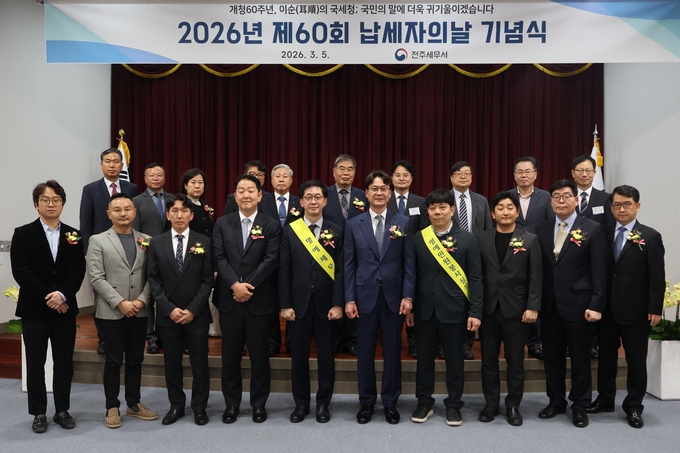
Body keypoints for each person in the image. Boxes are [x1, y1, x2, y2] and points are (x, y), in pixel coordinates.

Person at [11, 180, 86, 434]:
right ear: (36, 204)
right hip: (35, 311)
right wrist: (51, 297)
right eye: (45, 200)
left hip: (65, 310)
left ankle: (62, 410)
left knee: (64, 363)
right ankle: (39, 412)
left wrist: (63, 295)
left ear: (63, 204)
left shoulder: (74, 234)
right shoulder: (23, 233)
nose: (50, 204)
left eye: (56, 200)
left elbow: (78, 270)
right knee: (36, 362)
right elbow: (22, 272)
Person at [587, 185, 664, 429]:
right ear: (611, 208)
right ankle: (605, 399)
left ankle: (633, 406)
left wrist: (655, 308)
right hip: (607, 309)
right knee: (606, 358)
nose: (622, 209)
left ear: (637, 206)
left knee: (636, 360)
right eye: (617, 205)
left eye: (627, 204)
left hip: (637, 310)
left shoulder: (650, 236)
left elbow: (657, 277)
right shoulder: (601, 232)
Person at [344, 170, 415, 425]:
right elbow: (348, 265)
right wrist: (349, 299)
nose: (379, 193)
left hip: (394, 298)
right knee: (364, 352)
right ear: (366, 193)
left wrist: (408, 296)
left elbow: (409, 263)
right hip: (363, 296)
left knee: (393, 352)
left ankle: (390, 402)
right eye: (374, 188)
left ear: (390, 192)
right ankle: (366, 402)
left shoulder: (403, 222)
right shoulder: (354, 224)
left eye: (383, 188)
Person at [535, 180, 606, 428]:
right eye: (556, 196)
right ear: (550, 201)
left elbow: (599, 271)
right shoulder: (542, 229)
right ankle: (556, 401)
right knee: (552, 358)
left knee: (580, 359)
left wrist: (596, 304)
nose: (561, 200)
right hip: (550, 305)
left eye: (566, 196)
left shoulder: (593, 229)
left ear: (576, 200)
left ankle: (580, 405)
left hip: (580, 305)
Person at [409, 189, 482, 426]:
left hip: (455, 310)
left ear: (452, 210)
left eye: (442, 207)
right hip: (425, 310)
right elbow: (412, 276)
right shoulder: (419, 238)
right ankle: (424, 402)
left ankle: (454, 405)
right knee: (424, 360)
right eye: (432, 208)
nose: (437, 212)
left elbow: (476, 278)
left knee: (455, 360)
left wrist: (475, 311)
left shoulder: (467, 239)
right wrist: (411, 307)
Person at [212, 175, 280, 424]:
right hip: (229, 300)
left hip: (259, 300)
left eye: (251, 190)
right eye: (241, 191)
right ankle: (231, 404)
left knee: (260, 357)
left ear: (260, 195)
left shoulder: (271, 225)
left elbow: (271, 260)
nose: (246, 195)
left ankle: (259, 404)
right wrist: (235, 285)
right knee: (230, 357)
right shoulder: (222, 223)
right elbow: (218, 257)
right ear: (235, 196)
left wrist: (247, 286)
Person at [87, 193, 158, 429]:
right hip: (111, 312)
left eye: (127, 209)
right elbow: (96, 277)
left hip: (139, 310)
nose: (123, 213)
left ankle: (134, 403)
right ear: (109, 214)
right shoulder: (98, 240)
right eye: (117, 210)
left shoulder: (147, 240)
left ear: (134, 212)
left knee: (136, 359)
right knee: (113, 361)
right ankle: (112, 406)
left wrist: (141, 300)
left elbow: (152, 275)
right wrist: (120, 302)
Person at [279, 180, 344, 423]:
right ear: (301, 202)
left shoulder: (337, 230)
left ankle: (323, 403)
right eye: (309, 197)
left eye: (318, 197)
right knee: (299, 357)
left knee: (326, 357)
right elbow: (284, 270)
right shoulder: (290, 230)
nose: (313, 201)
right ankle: (301, 404)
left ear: (325, 201)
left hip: (327, 306)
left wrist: (338, 303)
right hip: (299, 305)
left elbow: (341, 271)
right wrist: (285, 304)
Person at [147, 194, 214, 426]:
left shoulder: (204, 242)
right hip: (168, 316)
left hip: (197, 314)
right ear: (168, 215)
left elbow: (207, 280)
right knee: (172, 364)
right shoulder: (157, 243)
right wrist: (169, 308)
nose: (179, 215)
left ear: (191, 215)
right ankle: (176, 405)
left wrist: (193, 309)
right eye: (174, 211)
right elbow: (153, 280)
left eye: (184, 211)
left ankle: (199, 407)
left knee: (200, 363)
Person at [477, 191, 542, 426]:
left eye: (510, 207)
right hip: (488, 309)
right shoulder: (481, 238)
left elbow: (536, 276)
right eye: (500, 208)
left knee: (515, 361)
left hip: (518, 310)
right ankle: (491, 404)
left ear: (517, 211)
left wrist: (533, 306)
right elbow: (476, 274)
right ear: (493, 214)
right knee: (488, 361)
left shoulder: (530, 239)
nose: (505, 212)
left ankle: (513, 405)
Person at [80, 148, 139, 354]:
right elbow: (85, 221)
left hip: (128, 245)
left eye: (116, 161)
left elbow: (136, 218)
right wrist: (87, 251)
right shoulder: (90, 189)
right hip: (100, 249)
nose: (112, 165)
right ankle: (104, 338)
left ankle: (129, 334)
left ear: (122, 165)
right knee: (102, 293)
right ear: (101, 165)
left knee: (130, 288)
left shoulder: (132, 188)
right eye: (108, 161)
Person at [324, 154, 369, 357]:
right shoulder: (324, 194)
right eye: (341, 168)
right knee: (331, 296)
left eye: (350, 169)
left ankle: (352, 340)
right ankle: (332, 339)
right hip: (328, 253)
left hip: (358, 253)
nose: (345, 172)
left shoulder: (363, 195)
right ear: (334, 172)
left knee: (354, 296)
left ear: (355, 172)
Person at [508, 156, 553, 360]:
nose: (524, 175)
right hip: (512, 255)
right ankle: (515, 341)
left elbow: (551, 225)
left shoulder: (546, 197)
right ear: (514, 175)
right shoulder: (507, 197)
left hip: (539, 253)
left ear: (535, 174)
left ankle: (535, 343)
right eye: (520, 171)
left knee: (536, 296)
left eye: (528, 171)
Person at [571, 154, 613, 358]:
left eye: (588, 170)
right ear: (573, 173)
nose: (584, 174)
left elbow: (609, 229)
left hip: (595, 259)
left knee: (593, 298)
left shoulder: (605, 199)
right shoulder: (566, 196)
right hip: (570, 259)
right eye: (580, 170)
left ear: (595, 173)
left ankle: (592, 343)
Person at [450, 161, 493, 360]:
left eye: (467, 173)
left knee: (471, 297)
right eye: (459, 173)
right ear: (451, 177)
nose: (463, 176)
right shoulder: (444, 198)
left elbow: (487, 230)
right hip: (449, 256)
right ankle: (448, 342)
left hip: (475, 255)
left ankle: (467, 344)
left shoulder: (481, 200)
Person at [388, 160, 428, 358]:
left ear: (411, 178)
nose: (401, 178)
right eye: (397, 175)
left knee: (413, 300)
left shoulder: (421, 202)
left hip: (413, 258)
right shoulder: (384, 199)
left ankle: (413, 342)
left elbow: (424, 231)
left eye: (405, 175)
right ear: (392, 178)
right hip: (388, 258)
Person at [132, 163, 173, 354]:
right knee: (148, 298)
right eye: (151, 175)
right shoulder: (136, 201)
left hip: (171, 257)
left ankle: (166, 335)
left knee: (167, 297)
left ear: (165, 178)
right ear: (145, 179)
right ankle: (151, 337)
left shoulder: (174, 199)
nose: (156, 178)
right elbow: (135, 231)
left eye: (159, 175)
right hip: (147, 255)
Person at [180, 168, 215, 238]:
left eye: (200, 182)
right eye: (193, 182)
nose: (197, 186)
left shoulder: (206, 206)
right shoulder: (181, 205)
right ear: (185, 185)